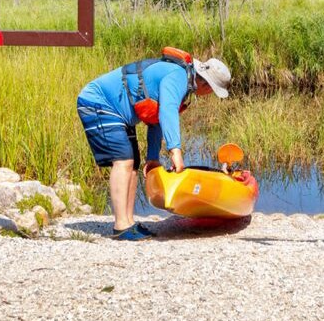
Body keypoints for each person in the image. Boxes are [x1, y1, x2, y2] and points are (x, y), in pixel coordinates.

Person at [76, 48, 231, 241]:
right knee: (123, 160)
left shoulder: (184, 79)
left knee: (133, 164)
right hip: (98, 103)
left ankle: (128, 222)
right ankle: (121, 226)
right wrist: (175, 150)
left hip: (118, 112)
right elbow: (167, 111)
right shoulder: (178, 77)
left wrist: (153, 158)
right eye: (213, 91)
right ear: (207, 85)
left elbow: (156, 118)